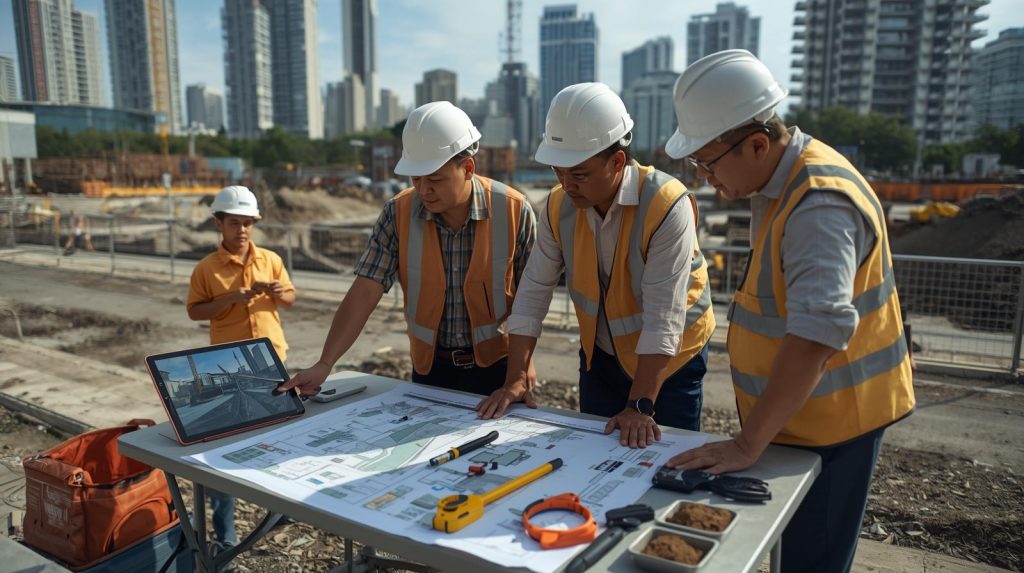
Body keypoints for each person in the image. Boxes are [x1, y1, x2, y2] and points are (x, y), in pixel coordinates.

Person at [661, 50, 915, 573]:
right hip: (803, 420)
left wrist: (748, 443)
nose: (705, 178)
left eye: (708, 163)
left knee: (812, 561)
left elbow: (816, 334)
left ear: (756, 144)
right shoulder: (782, 181)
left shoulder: (818, 203)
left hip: (834, 428)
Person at [476, 83, 716, 449]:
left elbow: (664, 317)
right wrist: (516, 377)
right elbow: (533, 292)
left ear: (617, 161)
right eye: (559, 172)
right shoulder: (558, 206)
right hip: (601, 360)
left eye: (580, 174)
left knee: (665, 466)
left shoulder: (666, 204)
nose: (566, 185)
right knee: (592, 457)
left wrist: (639, 405)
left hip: (670, 367)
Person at [280, 101, 536, 398]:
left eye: (435, 179)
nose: (424, 189)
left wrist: (520, 370)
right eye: (416, 178)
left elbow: (531, 301)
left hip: (499, 371)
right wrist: (325, 363)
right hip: (430, 372)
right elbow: (365, 289)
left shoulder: (514, 210)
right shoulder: (397, 213)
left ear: (467, 168)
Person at [186, 185, 296, 560]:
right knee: (224, 448)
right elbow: (195, 312)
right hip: (231, 368)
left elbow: (291, 300)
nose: (243, 230)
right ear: (219, 223)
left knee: (279, 439)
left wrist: (280, 292)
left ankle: (280, 514)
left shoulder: (270, 259)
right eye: (235, 223)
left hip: (271, 362)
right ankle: (226, 536)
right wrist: (228, 300)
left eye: (248, 223)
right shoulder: (206, 269)